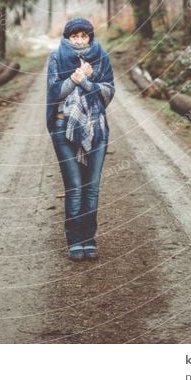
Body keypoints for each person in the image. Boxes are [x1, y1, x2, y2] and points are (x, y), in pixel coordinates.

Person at [46, 17, 115, 261]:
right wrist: (74, 79)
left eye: (83, 36)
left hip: (95, 126)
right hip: (63, 125)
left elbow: (108, 92)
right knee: (75, 186)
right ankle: (75, 240)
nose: (78, 40)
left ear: (90, 37)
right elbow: (55, 92)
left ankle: (89, 239)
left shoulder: (101, 57)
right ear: (67, 37)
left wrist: (85, 81)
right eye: (74, 36)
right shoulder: (56, 57)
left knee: (91, 187)